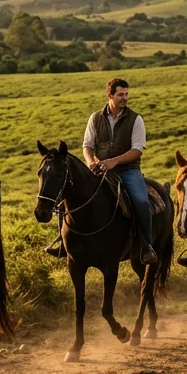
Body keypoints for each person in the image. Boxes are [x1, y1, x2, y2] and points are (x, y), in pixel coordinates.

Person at [47, 77, 158, 265]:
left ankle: (146, 244)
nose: (125, 98)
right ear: (109, 95)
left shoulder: (135, 119)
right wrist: (91, 162)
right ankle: (63, 242)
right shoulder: (95, 118)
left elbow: (137, 149)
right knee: (70, 195)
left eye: (126, 94)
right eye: (120, 94)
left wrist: (114, 161)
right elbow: (87, 146)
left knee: (140, 200)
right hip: (99, 169)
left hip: (128, 170)